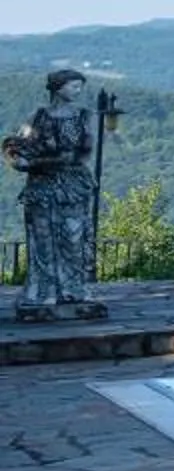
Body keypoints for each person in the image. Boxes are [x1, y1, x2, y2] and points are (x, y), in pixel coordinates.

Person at [5, 70, 106, 321]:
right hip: (41, 187)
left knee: (73, 238)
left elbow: (83, 155)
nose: (78, 91)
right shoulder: (37, 116)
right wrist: (19, 159)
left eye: (79, 87)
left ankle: (73, 289)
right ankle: (43, 291)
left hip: (71, 186)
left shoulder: (84, 116)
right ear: (58, 87)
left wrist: (41, 161)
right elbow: (18, 147)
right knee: (43, 240)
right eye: (74, 86)